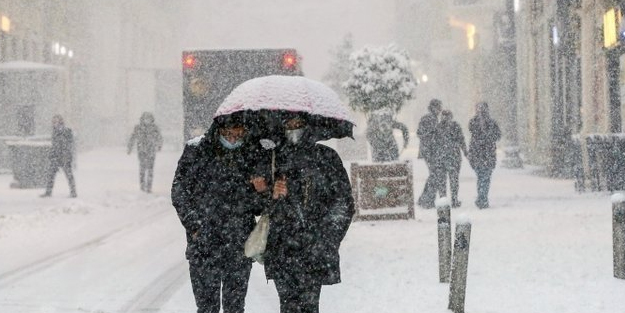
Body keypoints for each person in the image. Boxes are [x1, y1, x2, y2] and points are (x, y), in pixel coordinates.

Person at [171, 113, 270, 313]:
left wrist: (261, 191)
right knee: (207, 307)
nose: (233, 139)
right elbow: (179, 191)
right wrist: (195, 226)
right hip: (204, 244)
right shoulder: (197, 151)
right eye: (228, 134)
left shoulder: (253, 153)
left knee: (235, 307)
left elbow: (259, 207)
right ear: (219, 131)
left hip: (238, 243)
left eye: (238, 134)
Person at [264, 113, 355, 313]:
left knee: (309, 305)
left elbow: (343, 203)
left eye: (299, 123)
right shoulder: (271, 158)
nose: (294, 128)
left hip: (313, 247)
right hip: (281, 248)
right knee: (287, 305)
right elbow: (254, 202)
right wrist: (271, 193)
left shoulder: (326, 158)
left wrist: (327, 238)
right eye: (289, 123)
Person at [467, 102, 501, 209]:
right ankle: (482, 198)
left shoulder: (490, 123)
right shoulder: (474, 122)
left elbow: (497, 135)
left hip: (485, 154)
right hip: (480, 154)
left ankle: (482, 198)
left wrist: (487, 134)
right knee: (483, 177)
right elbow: (475, 133)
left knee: (484, 177)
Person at [437, 110, 467, 208]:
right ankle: (453, 200)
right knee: (453, 180)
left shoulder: (438, 127)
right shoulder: (455, 126)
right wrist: (465, 151)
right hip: (453, 157)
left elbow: (433, 143)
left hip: (442, 157)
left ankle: (443, 201)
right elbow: (461, 140)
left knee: (443, 181)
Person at [41, 114, 77, 198]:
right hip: (56, 157)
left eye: (55, 121)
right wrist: (52, 154)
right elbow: (55, 145)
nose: (54, 123)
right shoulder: (55, 132)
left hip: (64, 157)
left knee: (68, 175)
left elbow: (68, 145)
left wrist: (66, 155)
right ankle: (48, 192)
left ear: (60, 121)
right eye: (53, 122)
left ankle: (73, 192)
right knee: (51, 175)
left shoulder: (66, 131)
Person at [416, 99, 443, 208]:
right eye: (439, 107)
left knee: (434, 175)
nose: (440, 110)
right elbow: (420, 133)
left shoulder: (433, 118)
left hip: (430, 150)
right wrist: (431, 136)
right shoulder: (429, 118)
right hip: (430, 151)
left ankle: (425, 198)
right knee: (435, 175)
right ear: (433, 107)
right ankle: (427, 200)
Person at [127, 112, 163, 193]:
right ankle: (142, 186)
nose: (147, 120)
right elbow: (133, 137)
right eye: (145, 118)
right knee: (142, 168)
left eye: (149, 118)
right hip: (141, 151)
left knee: (150, 169)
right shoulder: (138, 128)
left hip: (151, 151)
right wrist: (130, 147)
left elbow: (159, 137)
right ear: (142, 119)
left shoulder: (154, 128)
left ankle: (149, 187)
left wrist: (159, 145)